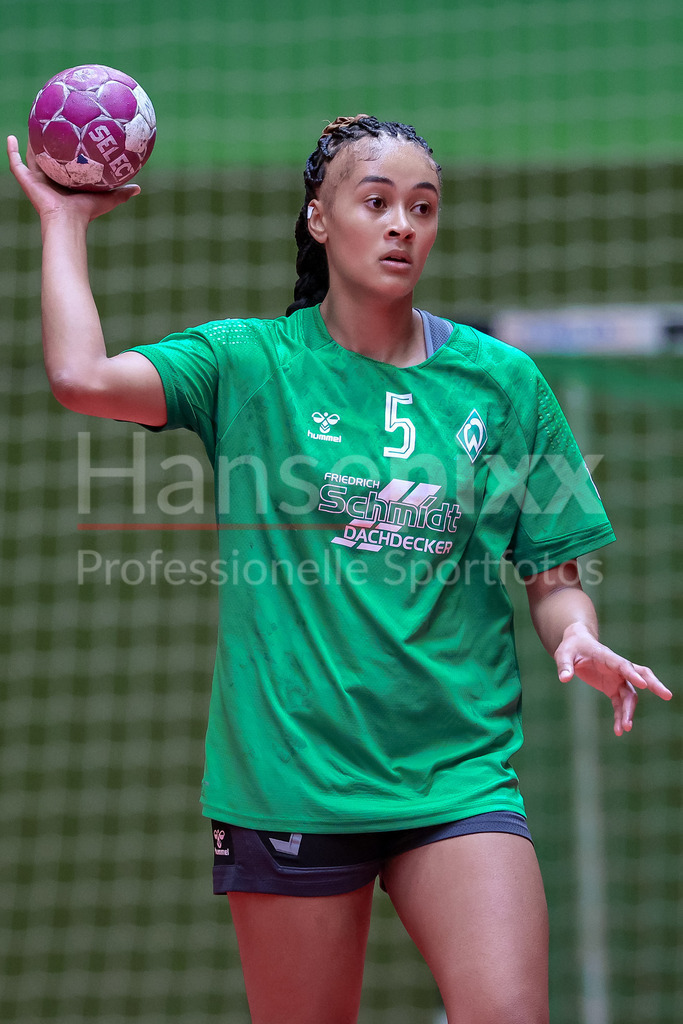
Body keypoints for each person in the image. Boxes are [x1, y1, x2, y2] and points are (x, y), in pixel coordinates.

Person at [7, 115, 672, 1024]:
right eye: (377, 202)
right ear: (319, 219)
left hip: (456, 774)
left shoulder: (505, 383)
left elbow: (552, 575)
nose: (402, 224)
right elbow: (81, 376)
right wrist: (63, 221)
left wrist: (579, 635)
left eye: (422, 207)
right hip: (290, 777)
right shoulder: (248, 363)